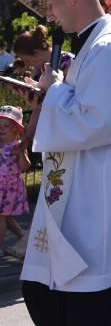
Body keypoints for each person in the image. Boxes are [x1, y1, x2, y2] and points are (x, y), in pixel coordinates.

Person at [19, 0, 111, 325]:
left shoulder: (109, 50)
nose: (48, 14)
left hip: (96, 204)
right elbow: (81, 109)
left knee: (78, 303)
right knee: (42, 292)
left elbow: (98, 122)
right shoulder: (94, 49)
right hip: (81, 194)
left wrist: (54, 90)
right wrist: (47, 101)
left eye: (49, 4)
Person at [0, 105, 30, 259]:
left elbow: (25, 167)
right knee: (3, 216)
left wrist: (21, 155)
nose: (2, 129)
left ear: (16, 129)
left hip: (9, 187)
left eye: (6, 125)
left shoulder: (17, 146)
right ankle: (23, 236)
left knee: (1, 217)